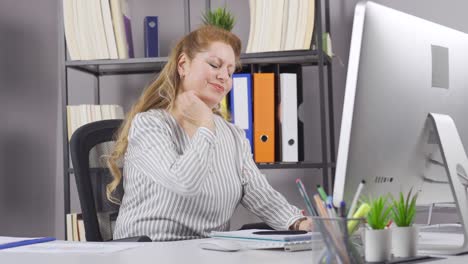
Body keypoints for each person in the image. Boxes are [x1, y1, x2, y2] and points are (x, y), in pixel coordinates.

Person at [107, 25, 313, 241]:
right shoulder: (150, 125)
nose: (224, 76)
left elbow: (257, 192)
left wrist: (297, 222)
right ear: (183, 65)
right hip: (151, 251)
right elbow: (184, 184)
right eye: (215, 65)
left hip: (207, 252)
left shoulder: (232, 135)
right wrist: (205, 125)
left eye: (231, 71)